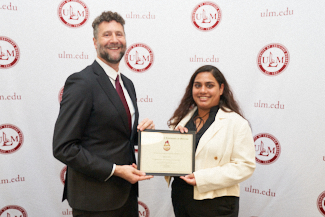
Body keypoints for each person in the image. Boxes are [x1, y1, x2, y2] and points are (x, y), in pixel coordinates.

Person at [53, 11, 154, 217]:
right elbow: (64, 147)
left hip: (126, 196)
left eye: (119, 34)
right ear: (95, 41)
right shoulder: (82, 83)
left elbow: (116, 135)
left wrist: (142, 134)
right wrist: (116, 170)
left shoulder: (127, 84)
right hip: (95, 201)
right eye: (107, 35)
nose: (114, 40)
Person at [166, 65, 256, 217]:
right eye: (197, 85)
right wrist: (171, 143)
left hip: (217, 202)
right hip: (181, 197)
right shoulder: (179, 120)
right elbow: (168, 158)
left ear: (221, 89)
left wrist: (202, 178)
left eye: (209, 85)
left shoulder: (236, 123)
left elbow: (245, 166)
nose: (202, 90)